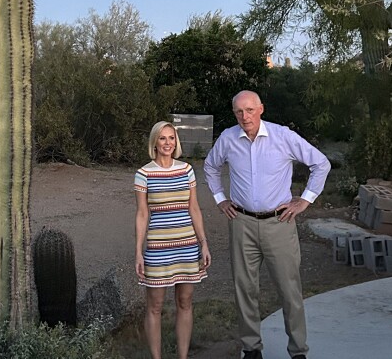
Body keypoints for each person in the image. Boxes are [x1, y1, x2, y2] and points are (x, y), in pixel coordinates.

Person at [204, 90, 330, 359]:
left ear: (261, 109)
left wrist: (305, 200)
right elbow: (210, 167)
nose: (244, 116)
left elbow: (321, 163)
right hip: (241, 222)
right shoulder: (228, 138)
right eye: (238, 111)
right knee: (245, 289)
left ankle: (298, 351)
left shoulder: (282, 136)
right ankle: (251, 349)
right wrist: (220, 199)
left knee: (289, 289)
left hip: (279, 223)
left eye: (249, 110)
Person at [135, 121, 212, 359]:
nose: (167, 143)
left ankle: (183, 356)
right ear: (154, 143)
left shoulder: (187, 170)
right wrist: (138, 251)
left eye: (171, 138)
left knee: (185, 302)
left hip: (186, 245)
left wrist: (204, 242)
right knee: (155, 306)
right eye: (162, 138)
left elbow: (194, 208)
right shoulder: (144, 174)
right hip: (158, 248)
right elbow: (142, 214)